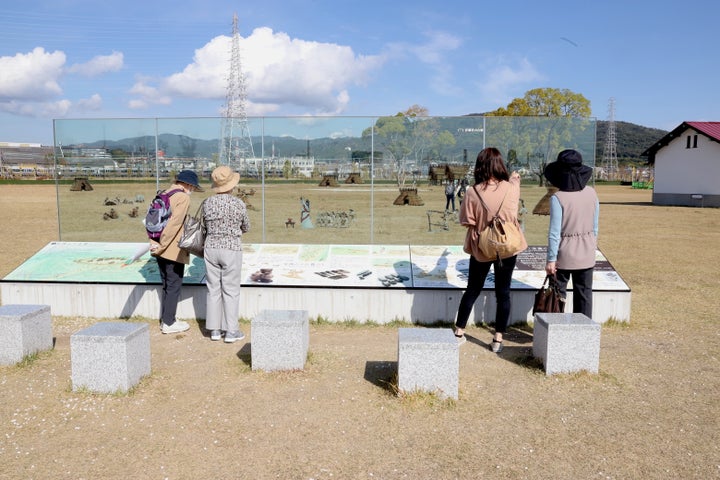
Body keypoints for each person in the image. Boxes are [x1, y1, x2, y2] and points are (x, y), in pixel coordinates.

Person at [453, 148, 528, 352]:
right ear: (499, 164)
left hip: (482, 247)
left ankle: (459, 332)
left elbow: (466, 221)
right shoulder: (511, 188)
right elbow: (514, 206)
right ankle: (498, 339)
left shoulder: (473, 191)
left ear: (480, 166)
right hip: (507, 246)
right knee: (503, 293)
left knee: (472, 290)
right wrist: (515, 179)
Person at [543, 149, 599, 319]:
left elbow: (555, 232)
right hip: (587, 251)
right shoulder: (592, 193)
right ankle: (584, 333)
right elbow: (595, 226)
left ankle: (557, 332)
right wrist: (591, 246)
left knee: (558, 296)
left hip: (564, 254)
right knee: (585, 295)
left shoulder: (558, 198)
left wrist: (551, 259)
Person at [150, 170, 203, 334]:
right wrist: (164, 245)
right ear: (187, 184)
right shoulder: (183, 197)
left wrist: (155, 243)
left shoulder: (164, 193)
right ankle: (169, 322)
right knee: (174, 285)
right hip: (171, 248)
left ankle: (166, 318)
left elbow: (151, 221)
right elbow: (175, 223)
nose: (192, 190)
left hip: (157, 245)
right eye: (193, 187)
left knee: (166, 284)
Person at [202, 165, 250, 343]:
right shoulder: (238, 203)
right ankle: (231, 331)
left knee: (213, 289)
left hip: (210, 247)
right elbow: (246, 226)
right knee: (231, 290)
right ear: (232, 184)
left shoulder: (207, 203)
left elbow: (203, 226)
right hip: (231, 248)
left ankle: (214, 330)